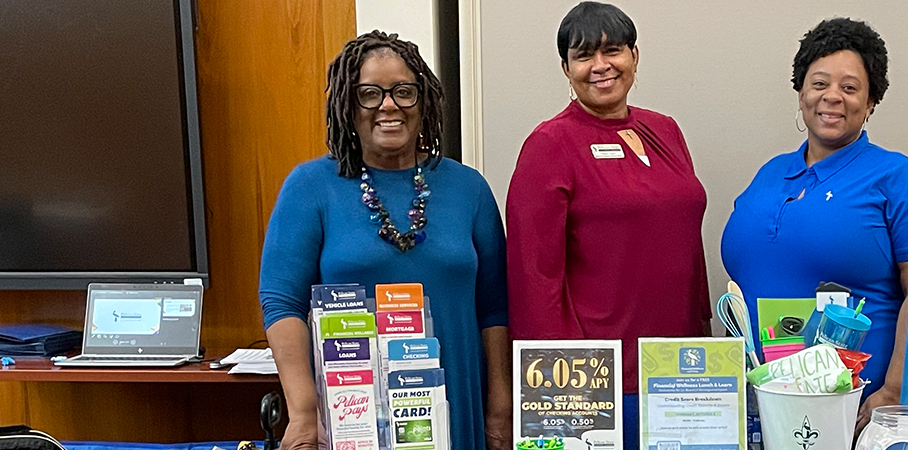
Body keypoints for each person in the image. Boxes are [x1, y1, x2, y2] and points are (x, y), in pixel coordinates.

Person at [259, 31, 512, 450]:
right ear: (348, 106)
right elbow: (282, 302)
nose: (388, 105)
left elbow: (494, 309)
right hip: (353, 411)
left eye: (403, 92)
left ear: (423, 102)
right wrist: (303, 412)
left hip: (456, 402)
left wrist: (500, 407)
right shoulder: (310, 186)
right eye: (369, 94)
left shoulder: (469, 189)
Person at [719, 17, 908, 431]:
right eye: (819, 83)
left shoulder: (903, 181)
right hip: (757, 405)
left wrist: (893, 392)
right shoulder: (770, 174)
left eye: (849, 87)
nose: (832, 96)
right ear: (801, 93)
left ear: (871, 101)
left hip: (853, 412)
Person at [505, 3, 711, 449]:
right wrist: (560, 391)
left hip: (681, 366)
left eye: (612, 50)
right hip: (597, 378)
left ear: (634, 56)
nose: (600, 66)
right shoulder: (549, 144)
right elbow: (533, 276)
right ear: (566, 68)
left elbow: (687, 244)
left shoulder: (666, 130)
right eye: (584, 55)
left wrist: (705, 335)